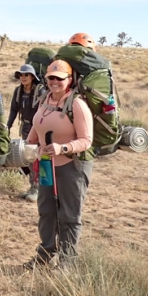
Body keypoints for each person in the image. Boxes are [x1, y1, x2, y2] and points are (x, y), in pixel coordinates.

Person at [24, 60, 93, 268]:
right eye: (50, 78)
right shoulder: (45, 99)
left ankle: (67, 262)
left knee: (69, 215)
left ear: (69, 80)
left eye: (59, 78)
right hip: (46, 164)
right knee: (46, 210)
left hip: (72, 167)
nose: (54, 82)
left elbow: (86, 140)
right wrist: (29, 147)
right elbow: (37, 127)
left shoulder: (77, 105)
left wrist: (63, 148)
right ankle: (45, 253)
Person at [6, 63, 43, 201]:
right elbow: (13, 110)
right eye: (21, 75)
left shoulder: (40, 91)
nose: (23, 77)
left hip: (39, 129)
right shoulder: (18, 91)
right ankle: (33, 187)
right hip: (26, 128)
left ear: (33, 77)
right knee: (28, 158)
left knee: (38, 158)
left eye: (26, 74)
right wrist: (8, 126)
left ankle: (38, 188)